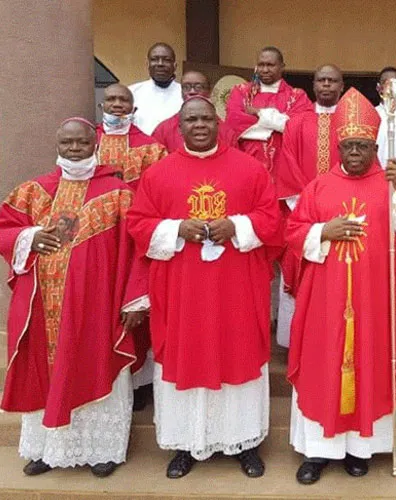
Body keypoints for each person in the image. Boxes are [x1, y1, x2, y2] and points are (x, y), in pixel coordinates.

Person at [126, 96, 283, 479]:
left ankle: (245, 442)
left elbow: (272, 220)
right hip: (183, 291)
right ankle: (185, 444)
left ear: (219, 124)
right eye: (191, 119)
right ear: (179, 127)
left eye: (207, 119)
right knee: (186, 356)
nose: (199, 125)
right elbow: (138, 224)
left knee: (239, 354)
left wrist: (238, 226)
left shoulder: (250, 170)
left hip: (236, 288)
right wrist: (176, 228)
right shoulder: (158, 174)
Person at [0, 117, 148, 477]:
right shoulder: (33, 191)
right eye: (68, 144)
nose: (75, 149)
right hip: (42, 306)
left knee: (96, 363)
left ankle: (103, 449)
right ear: (57, 145)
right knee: (47, 371)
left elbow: (138, 249)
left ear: (95, 144)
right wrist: (29, 237)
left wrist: (134, 300)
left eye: (82, 143)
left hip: (98, 304)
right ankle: (48, 449)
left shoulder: (119, 193)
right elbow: (5, 227)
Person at [285, 87, 396, 484]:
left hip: (376, 298)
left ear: (375, 146)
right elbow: (293, 234)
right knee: (322, 365)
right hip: (325, 299)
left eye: (363, 146)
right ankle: (317, 451)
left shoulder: (388, 184)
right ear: (338, 148)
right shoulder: (318, 187)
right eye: (349, 146)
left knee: (371, 362)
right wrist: (324, 231)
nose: (356, 153)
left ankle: (362, 449)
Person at [96, 83, 167, 407]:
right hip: (96, 241)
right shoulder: (87, 143)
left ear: (133, 107)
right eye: (111, 100)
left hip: (135, 241)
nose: (117, 105)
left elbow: (162, 195)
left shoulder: (151, 148)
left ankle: (140, 382)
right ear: (102, 106)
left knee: (139, 309)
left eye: (123, 100)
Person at [273, 64, 344, 348]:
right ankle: (297, 342)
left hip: (343, 214)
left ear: (342, 85)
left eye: (332, 80)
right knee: (298, 272)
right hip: (303, 214)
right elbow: (287, 165)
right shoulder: (297, 122)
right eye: (321, 80)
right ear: (313, 85)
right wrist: (309, 208)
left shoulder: (351, 121)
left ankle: (337, 340)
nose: (326, 85)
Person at [225, 46, 313, 174]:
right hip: (247, 163)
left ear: (282, 67)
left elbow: (299, 128)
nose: (265, 70)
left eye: (270, 65)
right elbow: (234, 123)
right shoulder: (241, 91)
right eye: (261, 65)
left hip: (284, 168)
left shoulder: (297, 96)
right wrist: (279, 124)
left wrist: (258, 113)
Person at [151, 70, 236, 152]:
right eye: (186, 87)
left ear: (209, 91)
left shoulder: (226, 132)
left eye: (198, 87)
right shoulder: (163, 130)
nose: (192, 91)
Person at [129, 42, 183, 135]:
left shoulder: (184, 93)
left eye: (166, 60)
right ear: (147, 64)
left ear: (175, 65)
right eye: (154, 59)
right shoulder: (132, 92)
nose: (160, 64)